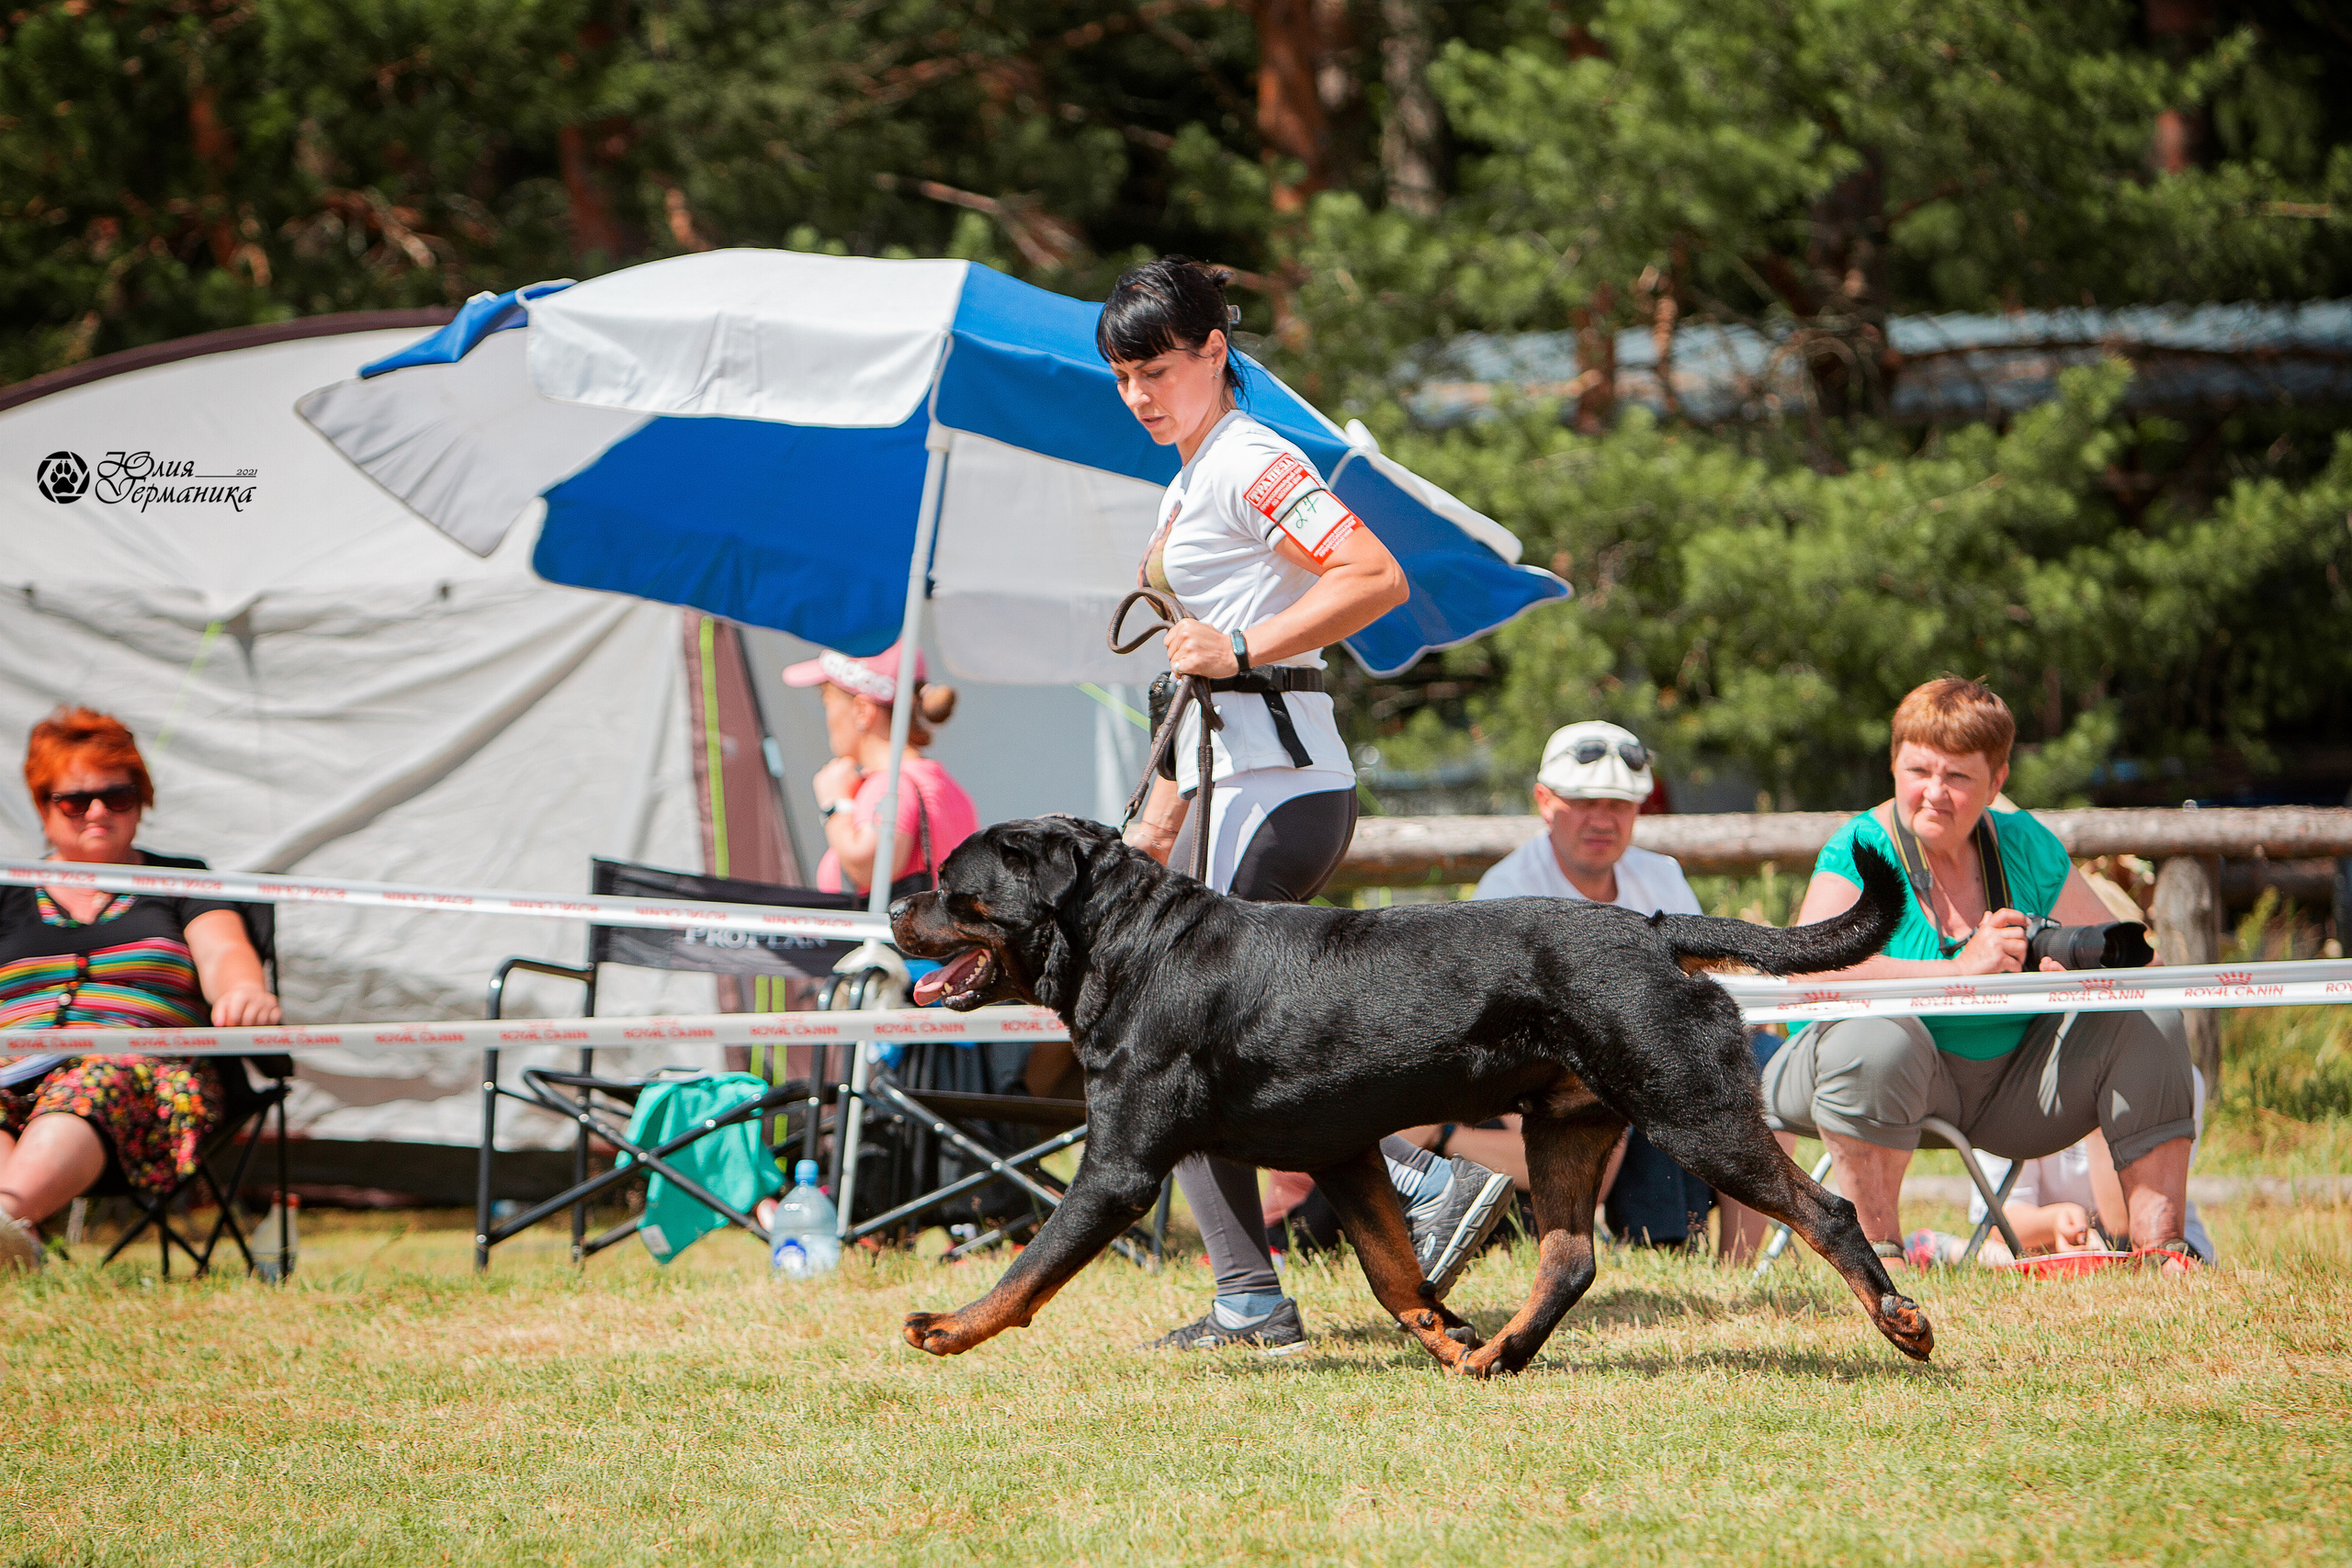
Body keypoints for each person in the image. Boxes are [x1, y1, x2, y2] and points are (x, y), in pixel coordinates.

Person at [1102, 255, 1513, 1351]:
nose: (1137, 394)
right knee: (1193, 1047)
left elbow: (1370, 577)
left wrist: (1237, 644)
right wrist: (1160, 808)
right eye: (1121, 376)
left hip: (1281, 788)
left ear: (1213, 353)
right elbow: (1195, 671)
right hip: (1233, 782)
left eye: (1153, 369)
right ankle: (1266, 1284)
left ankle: (1383, 1207)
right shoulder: (1195, 471)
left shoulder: (1248, 462)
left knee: (1177, 1045)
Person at [1761, 677, 2202, 1271]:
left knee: (2149, 1013)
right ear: (1893, 765)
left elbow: (2137, 966)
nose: (1934, 793)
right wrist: (1957, 970)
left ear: (1997, 782)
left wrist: (2070, 971)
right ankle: (1875, 1265)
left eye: (1958, 777)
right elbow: (1805, 968)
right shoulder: (1861, 843)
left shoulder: (2025, 843)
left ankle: (2161, 1253)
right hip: (1847, 1074)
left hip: (2011, 1089)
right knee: (1879, 1033)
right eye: (1919, 770)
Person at [1399, 720, 1776, 1252]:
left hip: (1637, 1058)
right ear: (1544, 801)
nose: (1603, 819)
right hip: (1548, 1071)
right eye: (1584, 802)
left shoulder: (1661, 875)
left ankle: (1740, 1266)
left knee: (1755, 1057)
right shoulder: (1505, 892)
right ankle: (1662, 1238)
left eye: (1620, 804)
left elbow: (1702, 990)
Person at [0, 707, 281, 1269]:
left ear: (142, 800)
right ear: (42, 806)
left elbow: (225, 953)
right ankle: (14, 1241)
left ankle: (10, 1225)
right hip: (14, 1068)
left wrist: (242, 991)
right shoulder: (8, 891)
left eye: (118, 795)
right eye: (76, 800)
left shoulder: (183, 881)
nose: (98, 811)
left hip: (145, 1076)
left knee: (93, 1084)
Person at [784, 644, 978, 902]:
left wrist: (835, 806)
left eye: (827, 702)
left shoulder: (888, 785)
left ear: (862, 712)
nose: (827, 718)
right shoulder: (946, 786)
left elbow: (868, 866)